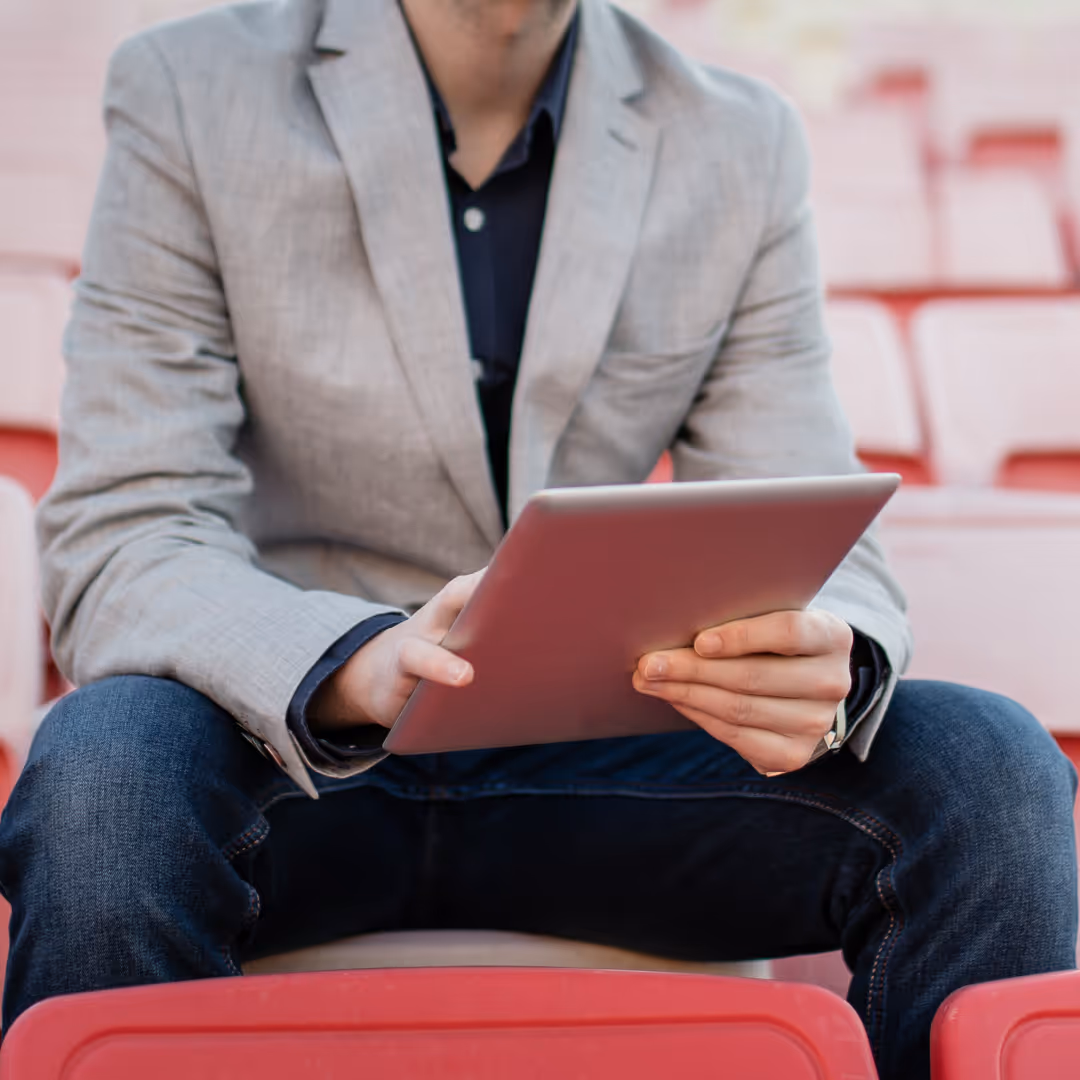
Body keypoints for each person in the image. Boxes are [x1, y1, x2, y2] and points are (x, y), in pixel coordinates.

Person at [0, 0, 1074, 1074]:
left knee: (985, 769)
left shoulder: (735, 140)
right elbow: (127, 528)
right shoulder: (189, 91)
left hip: (606, 758)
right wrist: (346, 665)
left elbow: (811, 520)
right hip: (284, 749)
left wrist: (824, 656)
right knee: (109, 769)